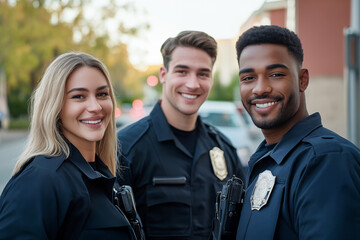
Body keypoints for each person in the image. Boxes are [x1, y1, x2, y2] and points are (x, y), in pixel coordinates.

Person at [235, 25, 360, 239]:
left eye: (275, 74)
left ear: (302, 80)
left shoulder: (326, 160)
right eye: (248, 78)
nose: (260, 88)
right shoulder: (267, 158)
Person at [117, 30, 245, 239]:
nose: (193, 84)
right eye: (182, 71)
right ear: (163, 75)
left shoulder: (224, 148)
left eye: (203, 74)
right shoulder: (127, 148)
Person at [0, 52, 136, 239]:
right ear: (54, 106)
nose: (95, 106)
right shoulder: (40, 181)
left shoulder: (104, 173)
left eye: (102, 94)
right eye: (79, 96)